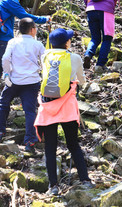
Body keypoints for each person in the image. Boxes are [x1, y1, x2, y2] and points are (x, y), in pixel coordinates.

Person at [34, 28, 93, 196]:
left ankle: (53, 186)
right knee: (73, 144)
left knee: (50, 149)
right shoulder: (74, 58)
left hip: (47, 108)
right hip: (67, 106)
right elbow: (81, 79)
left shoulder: (45, 56)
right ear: (67, 42)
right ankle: (85, 180)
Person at [0, 0, 50, 114]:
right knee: (11, 71)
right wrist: (44, 19)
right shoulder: (10, 0)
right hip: (3, 42)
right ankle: (12, 103)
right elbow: (25, 17)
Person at [0, 18, 45, 153]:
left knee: (3, 104)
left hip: (14, 80)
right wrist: (43, 77)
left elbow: (5, 58)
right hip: (32, 81)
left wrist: (7, 74)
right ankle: (30, 141)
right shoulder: (38, 44)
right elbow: (45, 62)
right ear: (32, 30)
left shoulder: (12, 42)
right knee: (30, 111)